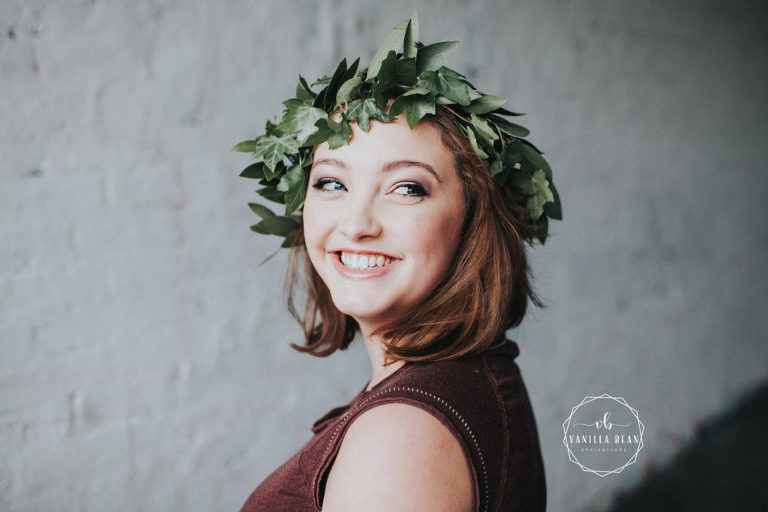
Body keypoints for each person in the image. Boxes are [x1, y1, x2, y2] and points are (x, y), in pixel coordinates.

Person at [233, 11, 560, 512]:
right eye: (332, 182)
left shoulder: (401, 440)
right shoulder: (468, 382)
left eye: (407, 188)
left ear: (472, 219)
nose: (356, 224)